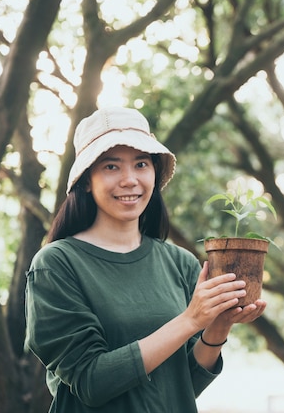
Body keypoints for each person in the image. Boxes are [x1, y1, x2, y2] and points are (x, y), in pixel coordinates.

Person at [24, 106, 267, 412]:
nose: (129, 180)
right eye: (111, 167)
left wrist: (218, 325)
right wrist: (190, 320)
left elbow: (185, 384)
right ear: (86, 180)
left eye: (141, 164)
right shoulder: (56, 265)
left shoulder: (181, 263)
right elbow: (90, 382)